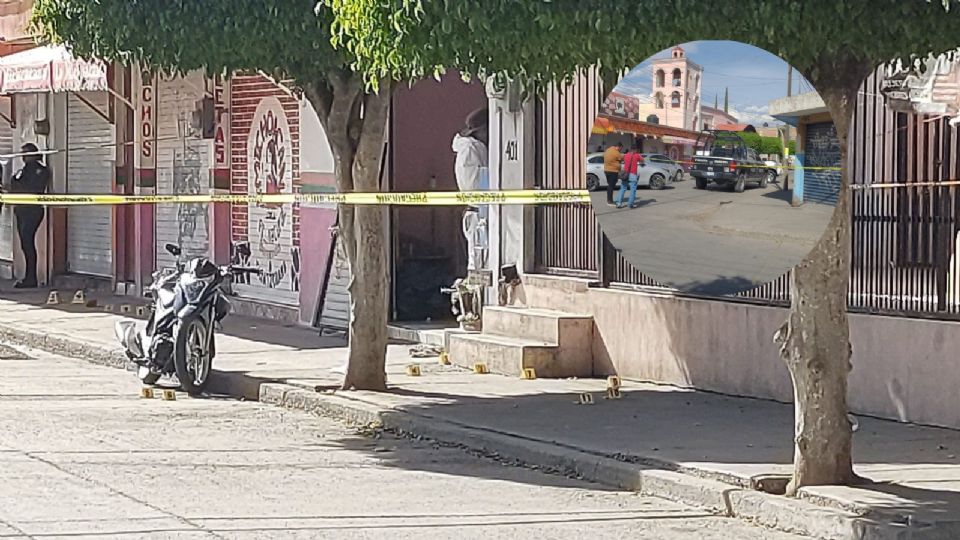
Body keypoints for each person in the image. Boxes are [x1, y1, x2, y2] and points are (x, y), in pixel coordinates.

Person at [452, 108, 489, 271]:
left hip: (477, 212)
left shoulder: (468, 149)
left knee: (479, 263)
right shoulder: (472, 149)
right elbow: (476, 185)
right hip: (478, 213)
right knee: (479, 266)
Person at [11, 143, 50, 289]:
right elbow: (14, 184)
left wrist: (17, 182)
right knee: (24, 244)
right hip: (21, 209)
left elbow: (31, 187)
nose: (23, 157)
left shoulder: (40, 170)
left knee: (28, 242)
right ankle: (29, 277)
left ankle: (31, 278)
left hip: (33, 210)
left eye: (25, 154)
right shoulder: (23, 170)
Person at [616, 143, 643, 209]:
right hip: (633, 174)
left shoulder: (626, 155)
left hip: (625, 174)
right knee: (632, 190)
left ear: (630, 149)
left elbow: (623, 161)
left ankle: (619, 203)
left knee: (623, 188)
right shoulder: (637, 155)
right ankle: (630, 204)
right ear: (636, 149)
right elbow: (642, 161)